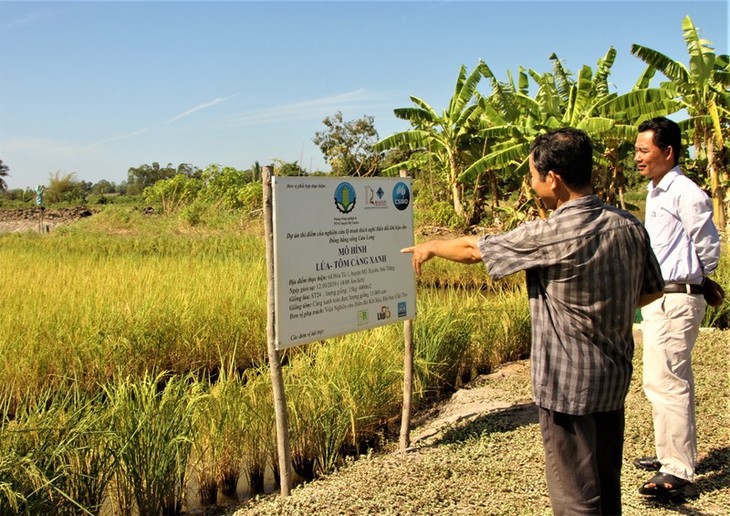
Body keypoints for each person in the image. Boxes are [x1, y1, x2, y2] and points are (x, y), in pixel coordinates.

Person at [402, 127, 664, 515]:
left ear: (553, 179)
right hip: (613, 380)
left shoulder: (551, 234)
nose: (530, 181)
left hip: (567, 389)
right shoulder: (629, 225)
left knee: (575, 496)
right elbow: (652, 291)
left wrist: (430, 247)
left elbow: (476, 250)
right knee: (607, 485)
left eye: (532, 174)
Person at [633, 117, 721, 500]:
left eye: (644, 150)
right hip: (660, 297)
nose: (637, 157)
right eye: (636, 150)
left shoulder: (685, 192)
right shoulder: (657, 191)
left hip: (675, 296)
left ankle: (677, 470)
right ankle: (671, 453)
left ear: (667, 152)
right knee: (661, 379)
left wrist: (697, 279)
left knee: (667, 381)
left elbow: (708, 246)